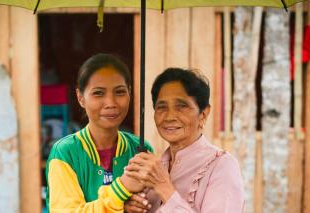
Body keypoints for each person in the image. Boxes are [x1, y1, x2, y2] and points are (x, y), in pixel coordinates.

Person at [124, 68, 245, 212]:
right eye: (161, 107)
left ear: (204, 114)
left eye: (181, 106)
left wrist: (164, 187)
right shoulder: (155, 166)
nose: (169, 117)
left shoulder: (222, 166)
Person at [45, 53, 153, 212]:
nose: (111, 103)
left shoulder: (140, 149)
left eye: (120, 92)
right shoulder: (65, 153)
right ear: (80, 97)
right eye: (98, 93)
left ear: (130, 92)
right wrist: (121, 192)